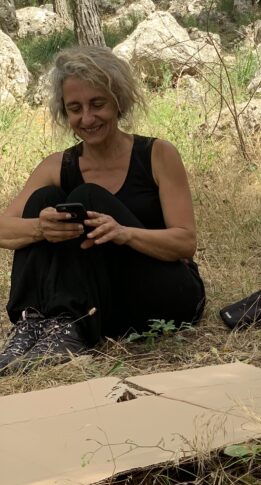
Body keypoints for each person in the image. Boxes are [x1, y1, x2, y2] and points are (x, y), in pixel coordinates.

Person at [0, 46, 205, 372]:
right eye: (75, 108)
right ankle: (33, 321)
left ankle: (69, 325)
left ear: (118, 102)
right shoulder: (57, 165)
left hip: (167, 293)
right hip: (106, 302)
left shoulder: (157, 154)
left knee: (88, 196)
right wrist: (41, 228)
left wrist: (125, 234)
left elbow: (185, 243)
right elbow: (3, 228)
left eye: (97, 104)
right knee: (43, 202)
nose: (87, 118)